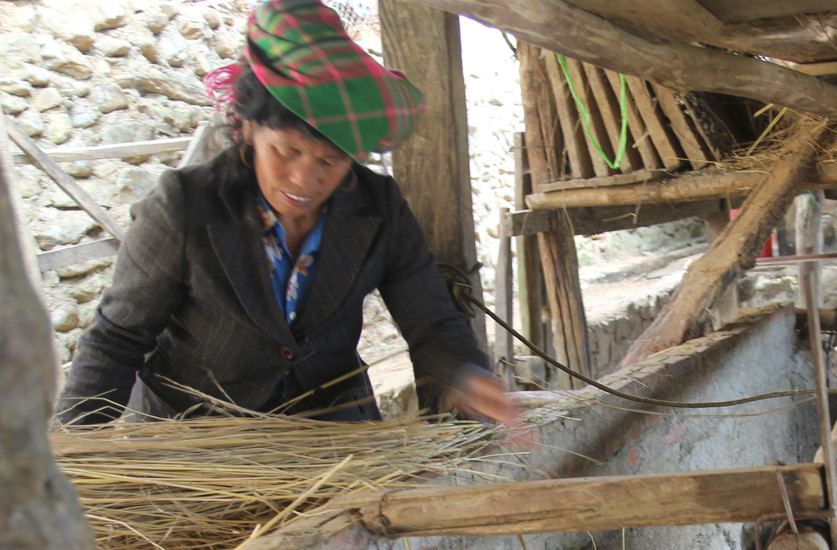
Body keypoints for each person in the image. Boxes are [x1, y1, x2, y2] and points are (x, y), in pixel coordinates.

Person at [55, 0, 522, 434]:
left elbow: (432, 323)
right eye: (287, 151)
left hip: (330, 439)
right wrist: (75, 451)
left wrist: (467, 373)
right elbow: (117, 338)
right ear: (250, 128)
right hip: (192, 441)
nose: (304, 178)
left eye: (329, 161)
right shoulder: (184, 205)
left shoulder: (378, 207)